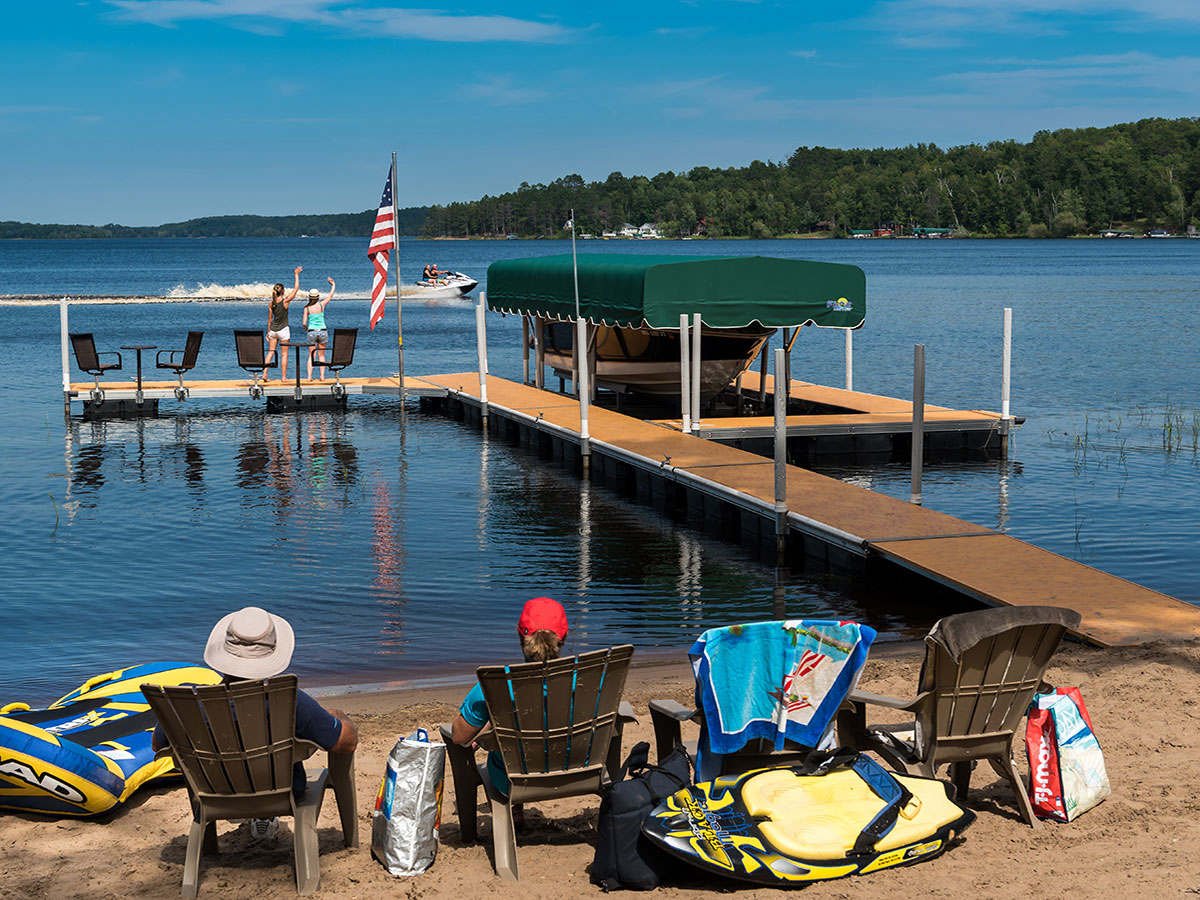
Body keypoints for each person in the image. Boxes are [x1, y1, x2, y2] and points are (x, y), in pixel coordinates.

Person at [152, 606, 358, 806]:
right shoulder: (288, 701)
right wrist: (339, 717)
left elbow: (158, 746)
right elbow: (346, 743)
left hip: (214, 794)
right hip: (283, 793)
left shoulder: (186, 702)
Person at [450, 597, 568, 820]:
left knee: (505, 752)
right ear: (565, 636)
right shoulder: (586, 679)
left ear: (520, 635)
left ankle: (513, 813)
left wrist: (488, 726)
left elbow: (458, 736)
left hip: (513, 779)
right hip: (575, 769)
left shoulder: (496, 684)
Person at [264, 266, 302, 382]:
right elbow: (296, 289)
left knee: (271, 352)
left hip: (273, 331)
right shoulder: (285, 302)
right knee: (284, 354)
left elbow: (269, 320)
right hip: (283, 331)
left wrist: (268, 332)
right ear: (283, 291)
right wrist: (296, 274)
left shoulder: (271, 304)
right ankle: (284, 377)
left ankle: (265, 374)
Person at [303, 277, 335, 380]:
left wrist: (307, 329)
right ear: (317, 297)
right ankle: (322, 376)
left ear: (309, 297)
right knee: (322, 355)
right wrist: (333, 284)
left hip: (311, 332)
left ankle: (309, 377)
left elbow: (303, 323)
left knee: (311, 355)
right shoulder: (321, 305)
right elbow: (330, 296)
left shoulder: (307, 308)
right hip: (322, 331)